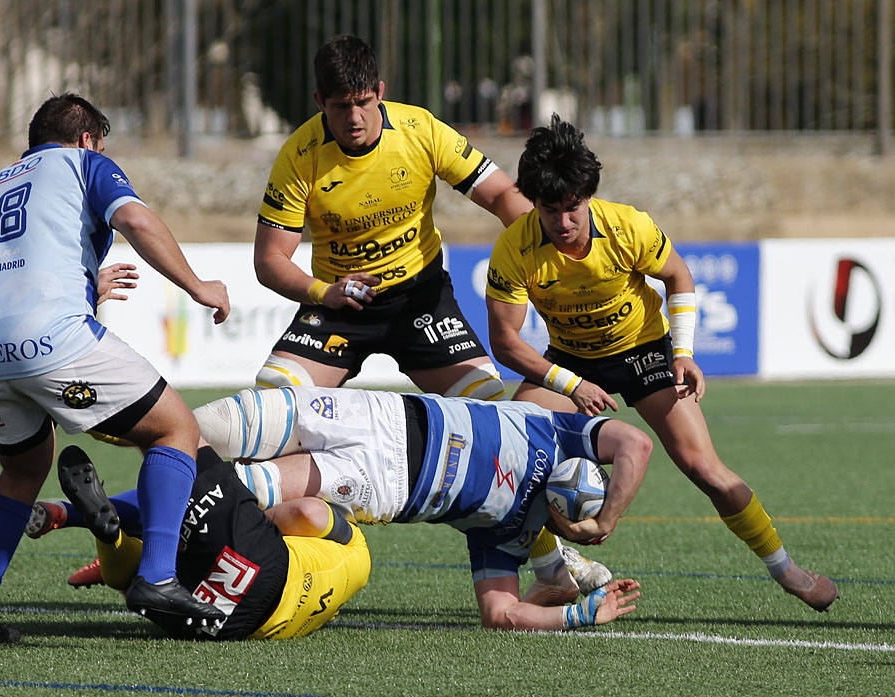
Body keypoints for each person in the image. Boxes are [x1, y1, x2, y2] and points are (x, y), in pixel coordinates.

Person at [483, 115, 839, 612]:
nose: (563, 223)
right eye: (549, 210)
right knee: (510, 452)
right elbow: (504, 341)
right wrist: (572, 382)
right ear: (533, 203)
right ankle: (555, 573)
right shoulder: (514, 246)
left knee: (704, 467)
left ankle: (789, 571)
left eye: (573, 208)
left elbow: (678, 276)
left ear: (588, 195)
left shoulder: (627, 225)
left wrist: (684, 351)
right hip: (569, 359)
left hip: (643, 350)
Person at [0, 93, 232, 644]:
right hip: (47, 339)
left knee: (24, 471)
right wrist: (198, 286)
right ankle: (158, 576)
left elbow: (11, 262)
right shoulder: (85, 163)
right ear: (86, 139)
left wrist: (83, 285)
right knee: (176, 429)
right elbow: (135, 220)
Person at [193, 385, 651, 632]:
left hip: (384, 482)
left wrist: (579, 615)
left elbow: (500, 615)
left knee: (227, 489)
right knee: (203, 426)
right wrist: (607, 519)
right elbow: (636, 442)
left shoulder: (511, 534)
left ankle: (125, 529)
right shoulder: (561, 431)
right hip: (381, 412)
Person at [253, 34, 530, 398]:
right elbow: (270, 259)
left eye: (364, 102)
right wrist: (324, 292)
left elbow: (501, 195)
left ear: (380, 92)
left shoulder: (421, 129)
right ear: (319, 101)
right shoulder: (299, 155)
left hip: (419, 298)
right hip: (339, 302)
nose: (355, 118)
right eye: (340, 106)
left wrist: (545, 245)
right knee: (275, 397)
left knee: (483, 399)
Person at [50, 444, 370, 640]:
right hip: (222, 627)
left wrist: (255, 517)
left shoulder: (356, 544)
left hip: (262, 569)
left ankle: (99, 389)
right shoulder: (342, 585)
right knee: (145, 583)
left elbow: (309, 512)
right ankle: (113, 544)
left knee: (175, 432)